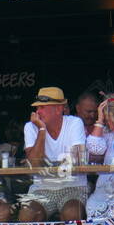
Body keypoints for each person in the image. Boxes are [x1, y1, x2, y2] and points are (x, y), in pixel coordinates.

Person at [22, 87, 89, 218]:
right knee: (27, 215)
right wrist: (41, 129)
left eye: (42, 107)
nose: (38, 112)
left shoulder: (75, 123)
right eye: (37, 108)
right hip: (42, 188)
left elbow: (76, 159)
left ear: (58, 109)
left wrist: (45, 163)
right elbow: (34, 164)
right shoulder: (30, 126)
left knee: (72, 213)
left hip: (74, 186)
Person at [85, 97, 114, 222]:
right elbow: (94, 148)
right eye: (107, 121)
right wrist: (100, 120)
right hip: (105, 188)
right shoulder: (109, 136)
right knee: (93, 204)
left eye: (111, 121)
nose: (109, 124)